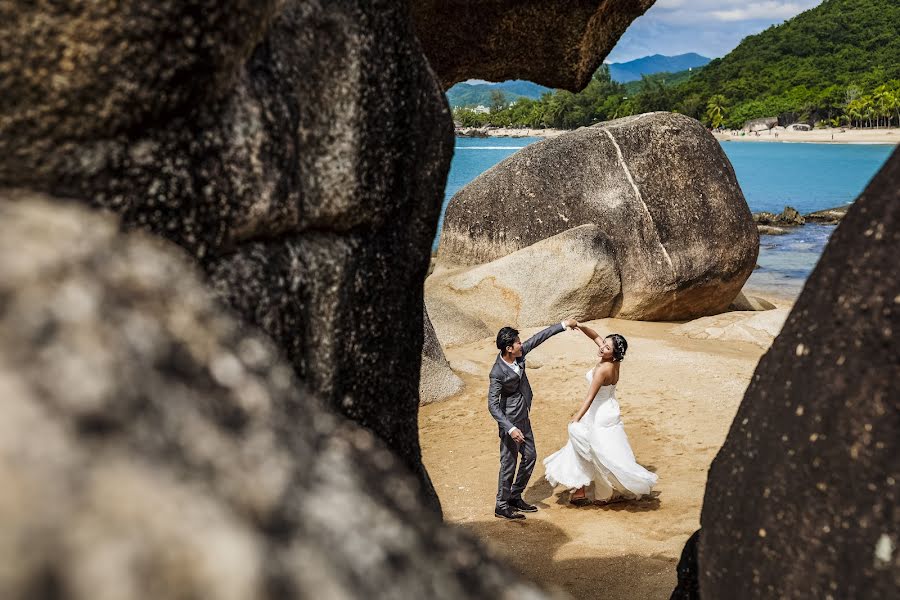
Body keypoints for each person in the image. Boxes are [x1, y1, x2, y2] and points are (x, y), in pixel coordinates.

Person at [543, 323, 657, 505]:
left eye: (606, 347)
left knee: (588, 448)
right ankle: (583, 491)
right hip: (610, 408)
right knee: (599, 450)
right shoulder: (614, 361)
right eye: (603, 344)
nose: (602, 347)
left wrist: (576, 419)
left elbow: (590, 397)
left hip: (597, 414)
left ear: (614, 352)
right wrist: (580, 326)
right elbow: (595, 336)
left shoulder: (603, 369)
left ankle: (585, 490)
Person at [489, 319, 578, 519]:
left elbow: (539, 338)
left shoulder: (519, 354)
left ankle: (515, 496)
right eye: (518, 343)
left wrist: (563, 325)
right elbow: (493, 405)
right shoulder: (496, 373)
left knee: (530, 457)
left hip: (523, 417)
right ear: (508, 348)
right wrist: (510, 429)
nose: (522, 344)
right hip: (510, 422)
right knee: (509, 463)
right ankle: (501, 505)